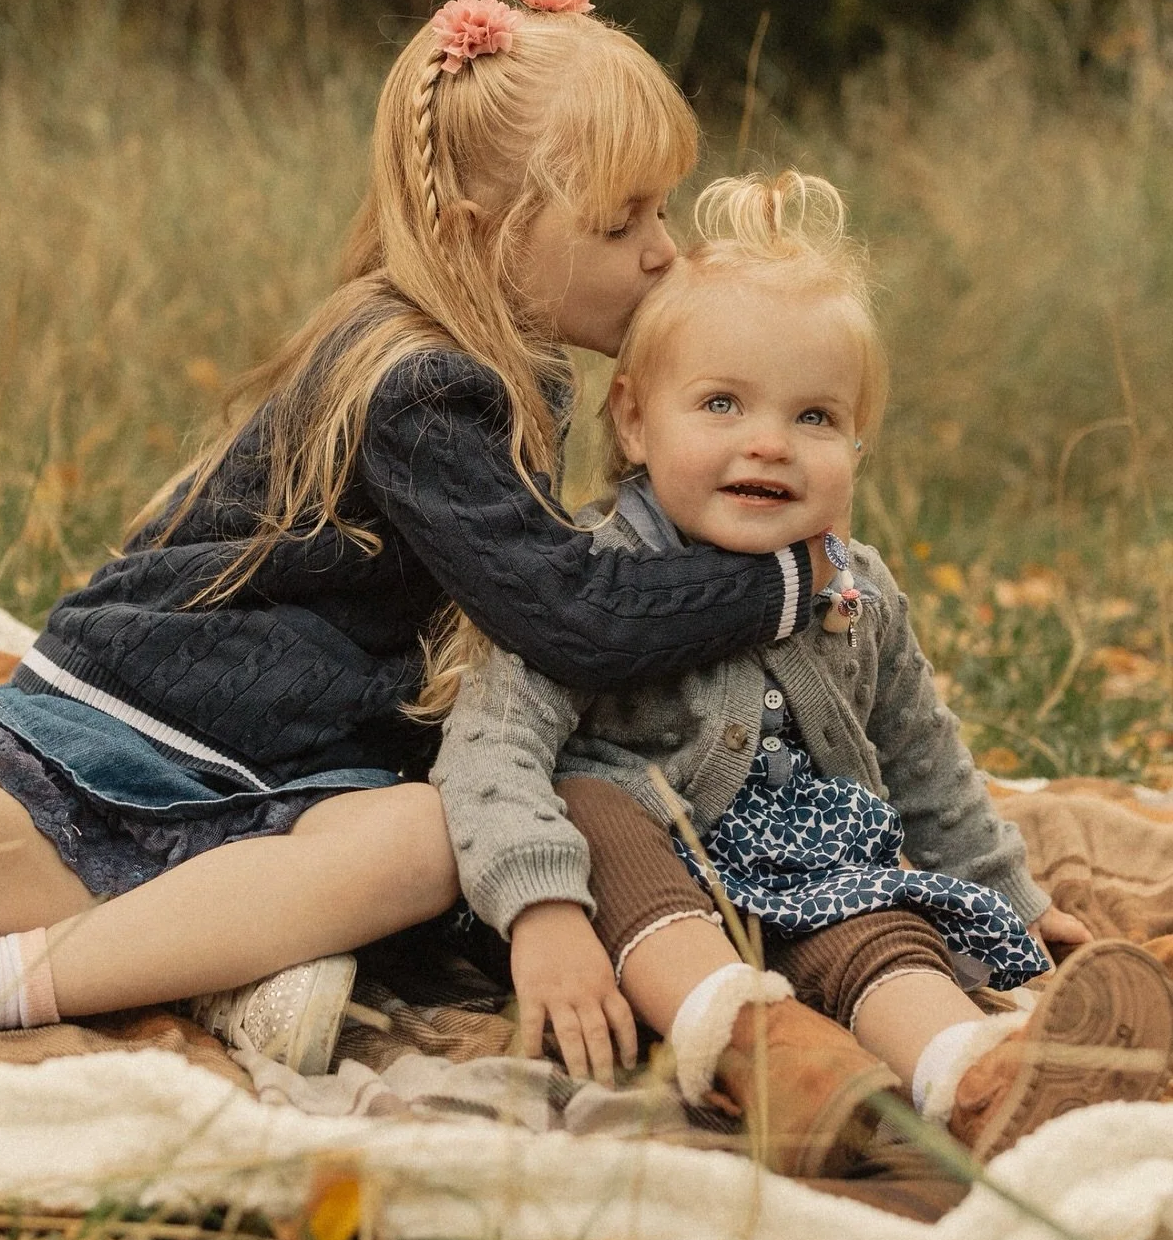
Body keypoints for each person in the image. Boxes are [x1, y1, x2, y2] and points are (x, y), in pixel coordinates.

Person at [0, 0, 836, 1072]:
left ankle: (136, 957)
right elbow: (573, 617)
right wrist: (788, 583)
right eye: (620, 223)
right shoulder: (422, 382)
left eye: (660, 213)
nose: (661, 252)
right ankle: (66, 977)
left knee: (424, 842)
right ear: (479, 234)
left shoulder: (514, 370)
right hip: (134, 723)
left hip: (296, 780)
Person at [434, 170, 1173, 1171]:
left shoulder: (855, 589)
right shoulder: (593, 579)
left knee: (882, 929)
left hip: (813, 877)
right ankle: (761, 1054)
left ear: (858, 445)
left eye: (815, 418)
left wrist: (1011, 893)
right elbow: (490, 740)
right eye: (724, 403)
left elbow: (922, 756)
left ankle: (975, 1077)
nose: (769, 443)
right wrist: (539, 908)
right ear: (637, 422)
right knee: (593, 801)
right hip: (642, 898)